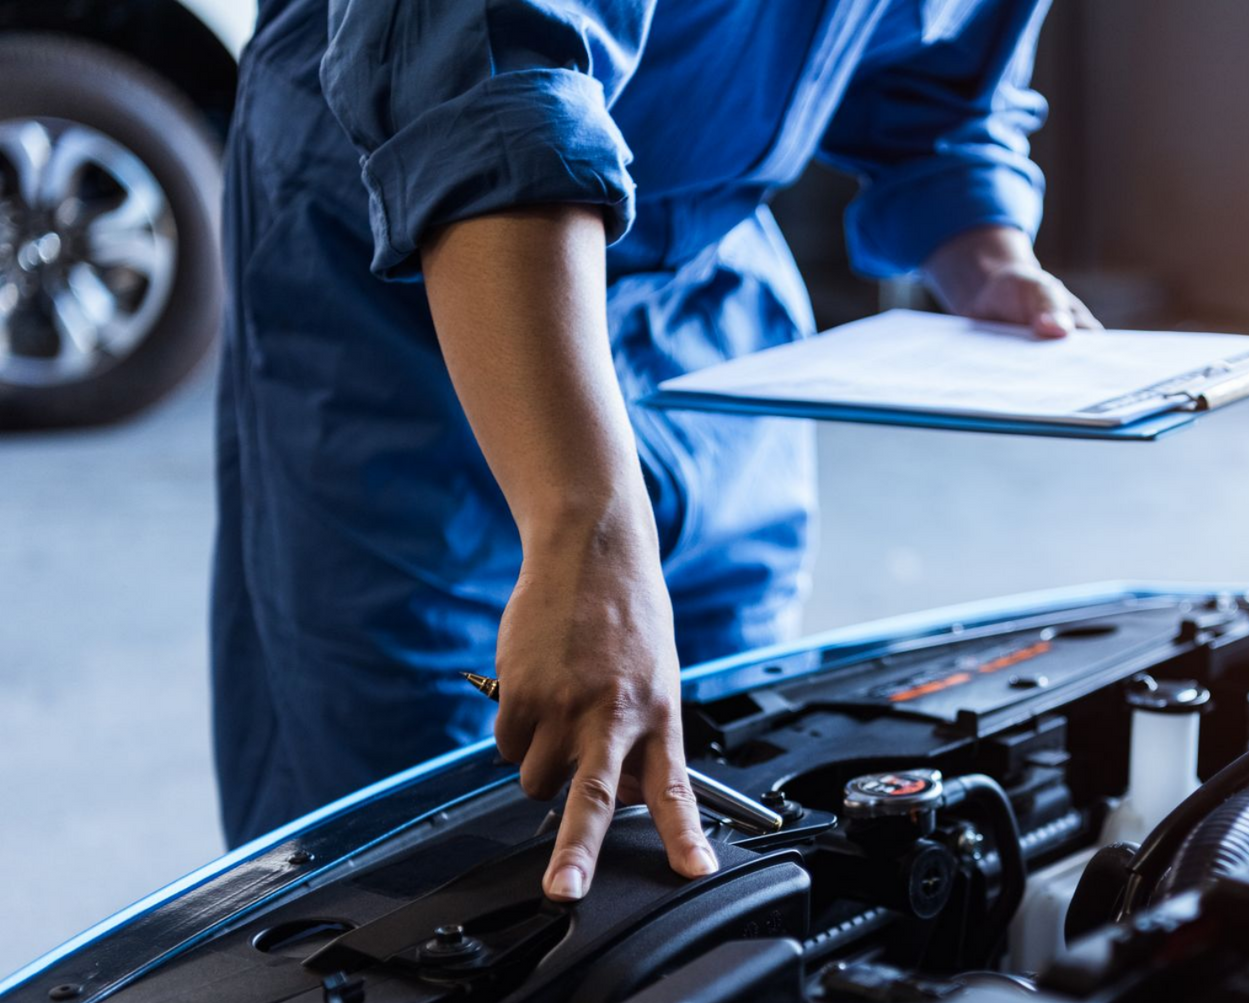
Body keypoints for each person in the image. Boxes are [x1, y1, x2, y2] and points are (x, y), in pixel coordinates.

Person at [214, 0, 1098, 902]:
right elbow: (482, 71)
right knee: (417, 840)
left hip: (705, 281)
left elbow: (940, 71)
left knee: (742, 758)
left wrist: (985, 247)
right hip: (429, 276)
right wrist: (582, 527)